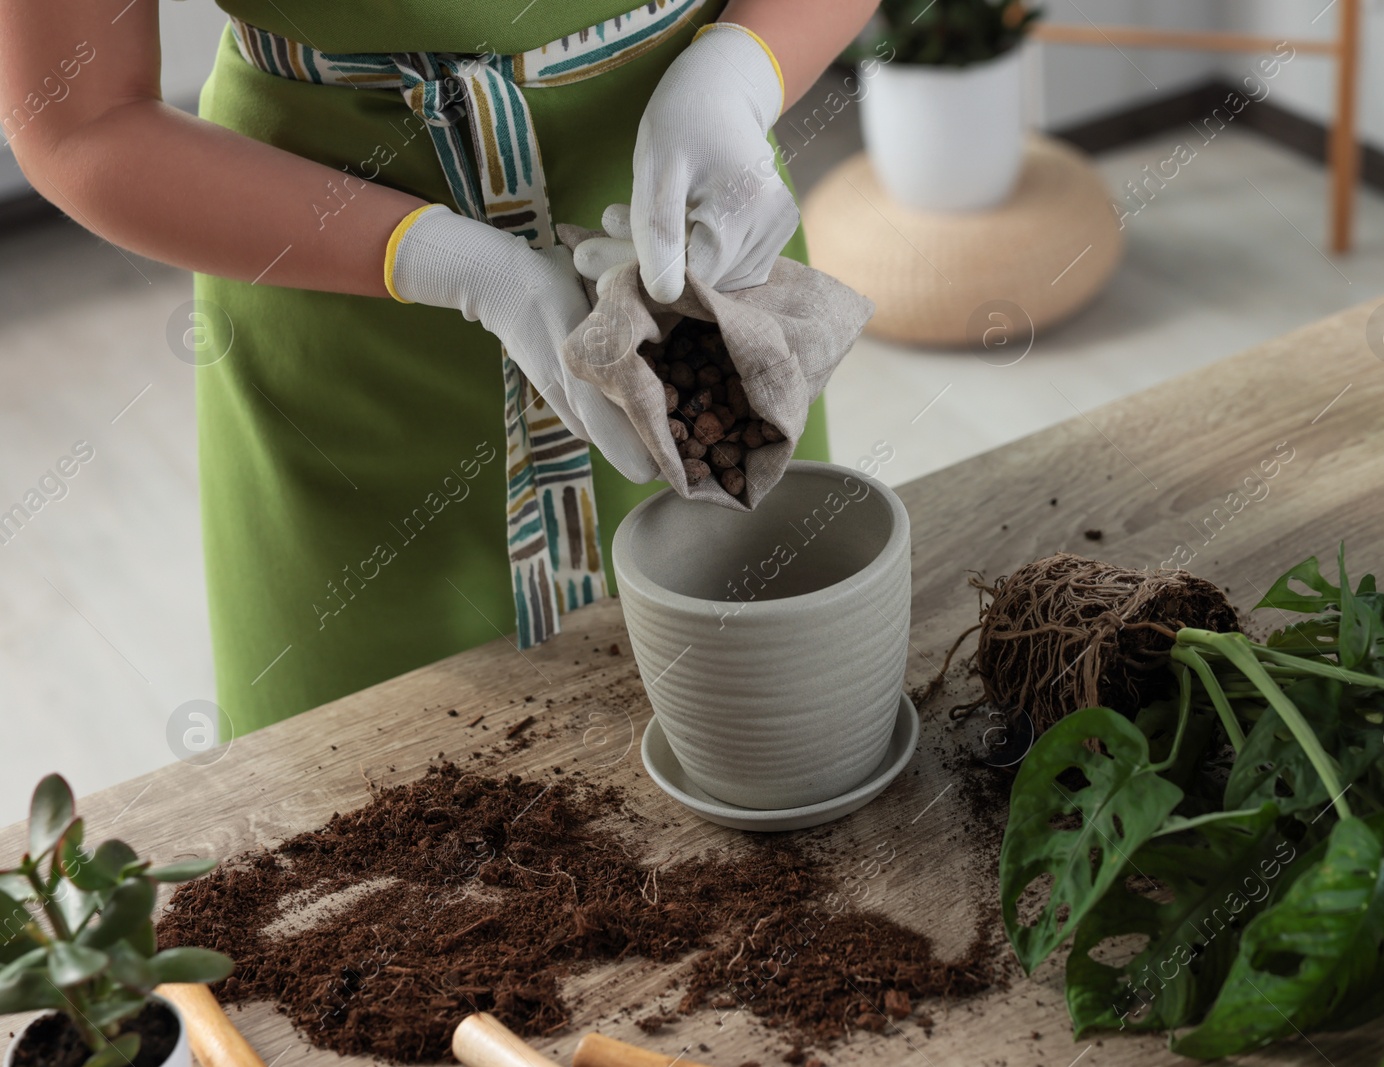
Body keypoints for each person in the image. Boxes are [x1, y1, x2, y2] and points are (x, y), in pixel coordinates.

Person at [1, 0, 879, 734]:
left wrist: (747, 62)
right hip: (338, 309)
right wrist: (455, 266)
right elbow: (80, 121)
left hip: (689, 263)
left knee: (773, 741)